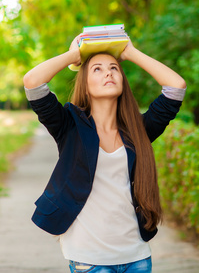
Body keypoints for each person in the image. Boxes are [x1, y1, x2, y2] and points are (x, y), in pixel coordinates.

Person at [23, 35, 186, 273]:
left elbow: (176, 87)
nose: (108, 73)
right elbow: (32, 82)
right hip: (89, 258)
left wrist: (130, 53)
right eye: (97, 69)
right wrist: (74, 56)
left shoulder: (138, 131)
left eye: (114, 69)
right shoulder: (69, 126)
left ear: (122, 80)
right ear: (86, 86)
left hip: (136, 256)